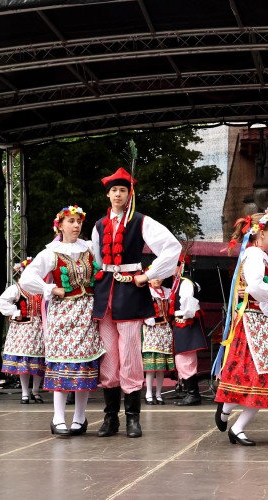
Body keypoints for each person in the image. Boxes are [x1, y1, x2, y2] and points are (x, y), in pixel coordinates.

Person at [92, 167, 181, 438]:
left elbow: (172, 247)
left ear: (129, 195)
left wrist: (148, 275)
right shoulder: (98, 226)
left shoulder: (141, 221)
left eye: (123, 190)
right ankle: (110, 418)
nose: (118, 194)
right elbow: (96, 260)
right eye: (114, 190)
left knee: (130, 354)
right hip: (105, 293)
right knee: (108, 357)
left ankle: (132, 417)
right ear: (107, 195)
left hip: (129, 292)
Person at [20, 205, 105, 437]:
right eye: (71, 221)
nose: (76, 225)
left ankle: (80, 417)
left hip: (87, 313)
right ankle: (58, 417)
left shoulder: (89, 248)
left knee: (84, 365)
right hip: (62, 315)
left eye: (78, 221)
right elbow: (27, 278)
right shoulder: (51, 252)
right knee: (62, 364)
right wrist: (51, 289)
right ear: (60, 225)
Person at [214, 209, 268, 446]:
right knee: (256, 377)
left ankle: (234, 424)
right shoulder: (255, 255)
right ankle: (228, 413)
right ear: (261, 233)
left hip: (267, 325)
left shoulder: (267, 257)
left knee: (263, 379)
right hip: (254, 323)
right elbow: (258, 286)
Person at [0, 258, 45, 404]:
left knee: (39, 361)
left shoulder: (43, 289)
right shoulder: (17, 288)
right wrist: (15, 311)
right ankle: (25, 392)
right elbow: (1, 301)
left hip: (39, 328)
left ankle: (36, 391)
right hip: (22, 330)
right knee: (25, 361)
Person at [171, 256, 208, 406]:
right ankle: (189, 392)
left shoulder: (185, 282)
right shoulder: (179, 282)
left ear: (181, 266)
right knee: (182, 359)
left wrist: (183, 316)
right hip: (182, 322)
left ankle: (193, 394)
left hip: (185, 322)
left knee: (185, 360)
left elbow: (189, 304)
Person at [142, 275, 175, 405]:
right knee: (152, 365)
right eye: (154, 277)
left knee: (161, 366)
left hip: (165, 330)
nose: (157, 280)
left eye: (159, 277)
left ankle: (159, 393)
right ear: (149, 279)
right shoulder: (146, 291)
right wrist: (147, 318)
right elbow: (141, 308)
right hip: (151, 330)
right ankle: (148, 393)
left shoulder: (167, 291)